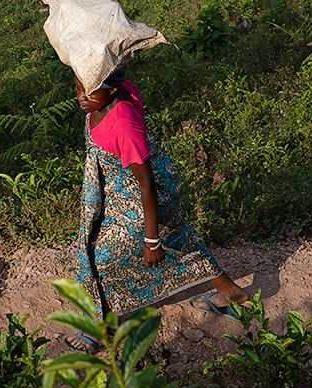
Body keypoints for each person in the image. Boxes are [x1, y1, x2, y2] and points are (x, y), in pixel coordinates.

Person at [68, 66, 249, 351]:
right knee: (182, 240)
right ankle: (232, 292)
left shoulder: (123, 124)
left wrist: (151, 240)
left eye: (88, 90)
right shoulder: (109, 95)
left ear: (113, 90)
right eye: (77, 86)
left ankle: (102, 327)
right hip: (124, 187)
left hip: (147, 194)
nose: (80, 96)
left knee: (101, 256)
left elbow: (146, 184)